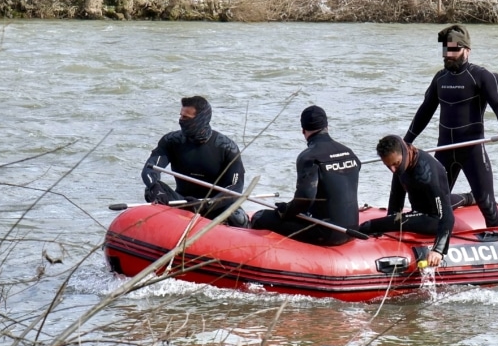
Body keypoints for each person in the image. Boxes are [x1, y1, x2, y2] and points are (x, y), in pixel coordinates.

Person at [404, 24, 498, 228]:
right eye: (446, 50)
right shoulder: (440, 78)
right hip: (445, 149)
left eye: (454, 49)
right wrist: (406, 141)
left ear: (467, 51)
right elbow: (424, 111)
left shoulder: (481, 76)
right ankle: (464, 199)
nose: (448, 54)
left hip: (472, 150)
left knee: (488, 206)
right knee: (431, 204)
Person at [250, 106, 361, 247]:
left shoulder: (309, 157)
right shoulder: (349, 153)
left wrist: (285, 211)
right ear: (327, 126)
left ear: (303, 131)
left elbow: (305, 198)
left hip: (326, 233)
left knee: (261, 217)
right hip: (351, 230)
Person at [358, 135, 475, 267]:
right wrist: (390, 222)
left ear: (404, 151)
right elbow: (396, 198)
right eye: (388, 165)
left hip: (432, 218)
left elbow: (447, 216)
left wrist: (438, 250)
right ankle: (469, 198)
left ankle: (470, 198)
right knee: (446, 200)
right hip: (429, 203)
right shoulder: (401, 163)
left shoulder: (426, 174)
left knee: (369, 225)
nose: (393, 169)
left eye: (395, 164)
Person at [141, 96, 249, 228]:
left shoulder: (226, 147)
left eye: (186, 118)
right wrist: (155, 187)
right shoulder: (171, 141)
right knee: (150, 190)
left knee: (237, 218)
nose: (181, 121)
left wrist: (206, 204)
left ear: (201, 119)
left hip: (213, 205)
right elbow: (150, 169)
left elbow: (235, 187)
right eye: (180, 116)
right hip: (183, 202)